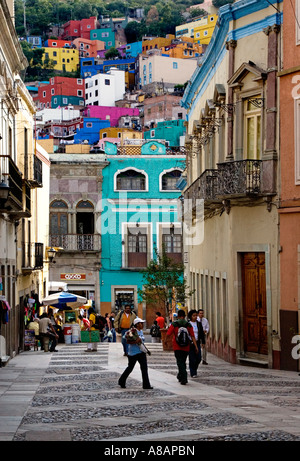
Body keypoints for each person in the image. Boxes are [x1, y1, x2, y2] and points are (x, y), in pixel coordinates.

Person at [118, 317, 153, 390]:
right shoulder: (132, 331)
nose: (142, 324)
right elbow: (125, 336)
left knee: (144, 368)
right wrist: (132, 338)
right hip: (133, 353)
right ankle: (121, 381)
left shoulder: (140, 331)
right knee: (130, 368)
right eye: (141, 323)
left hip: (141, 352)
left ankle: (146, 385)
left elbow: (142, 340)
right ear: (137, 324)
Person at [166, 309, 198, 385]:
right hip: (186, 346)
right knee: (183, 362)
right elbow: (192, 336)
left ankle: (184, 378)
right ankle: (180, 376)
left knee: (179, 362)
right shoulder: (188, 325)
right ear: (184, 316)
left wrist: (165, 342)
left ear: (178, 316)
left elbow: (168, 334)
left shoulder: (174, 324)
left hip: (177, 346)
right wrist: (196, 346)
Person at [187, 309, 205, 378]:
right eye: (193, 315)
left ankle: (195, 368)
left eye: (196, 315)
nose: (195, 317)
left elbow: (201, 333)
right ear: (190, 316)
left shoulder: (198, 323)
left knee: (199, 358)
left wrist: (203, 342)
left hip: (197, 342)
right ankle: (193, 372)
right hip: (190, 343)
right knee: (192, 358)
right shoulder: (188, 324)